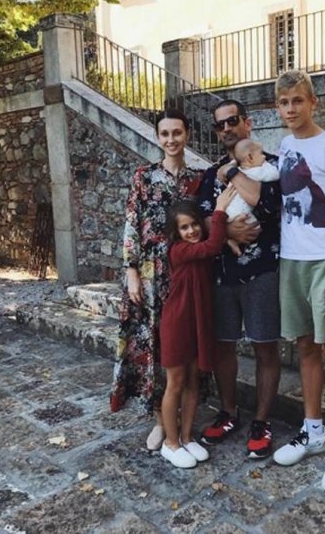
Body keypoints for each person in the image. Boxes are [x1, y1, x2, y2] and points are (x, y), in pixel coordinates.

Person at [271, 70, 325, 494]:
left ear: (313, 102)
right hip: (292, 261)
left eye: (297, 101)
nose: (291, 109)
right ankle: (313, 431)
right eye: (284, 102)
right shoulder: (285, 145)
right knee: (304, 347)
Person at [110, 109, 203, 453]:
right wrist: (131, 271)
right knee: (153, 346)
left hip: (186, 274)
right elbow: (131, 222)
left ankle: (184, 421)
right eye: (165, 134)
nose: (171, 139)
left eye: (177, 132)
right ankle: (160, 421)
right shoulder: (144, 177)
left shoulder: (198, 179)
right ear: (158, 137)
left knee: (182, 349)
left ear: (187, 134)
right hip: (151, 275)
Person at [198, 100, 281, 459]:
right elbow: (200, 218)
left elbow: (270, 207)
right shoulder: (210, 173)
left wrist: (233, 173)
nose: (226, 129)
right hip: (222, 273)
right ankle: (228, 413)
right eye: (219, 125)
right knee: (224, 345)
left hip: (262, 270)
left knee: (265, 346)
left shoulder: (271, 164)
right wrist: (226, 230)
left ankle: (261, 421)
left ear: (247, 122)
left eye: (232, 121)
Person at [160, 190, 235, 469]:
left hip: (198, 322)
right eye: (184, 227)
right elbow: (212, 246)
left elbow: (215, 244)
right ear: (176, 233)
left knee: (193, 381)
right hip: (177, 323)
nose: (191, 231)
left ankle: (187, 437)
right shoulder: (179, 251)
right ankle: (171, 443)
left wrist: (228, 238)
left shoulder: (199, 248)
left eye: (194, 224)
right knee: (176, 382)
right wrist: (220, 209)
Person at [224, 139, 280, 256]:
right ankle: (246, 245)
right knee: (254, 228)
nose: (264, 157)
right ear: (250, 158)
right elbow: (274, 175)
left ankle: (231, 241)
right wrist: (267, 165)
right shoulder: (256, 172)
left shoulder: (239, 170)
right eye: (261, 154)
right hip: (240, 213)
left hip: (227, 212)